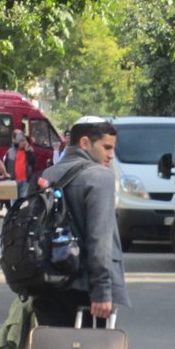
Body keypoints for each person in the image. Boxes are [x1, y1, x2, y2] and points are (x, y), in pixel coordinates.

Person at [32, 116, 129, 326]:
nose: (111, 155)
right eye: (106, 147)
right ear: (84, 143)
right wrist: (102, 290)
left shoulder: (47, 174)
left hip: (48, 285)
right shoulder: (99, 177)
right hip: (86, 289)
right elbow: (100, 238)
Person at [5, 128, 37, 199]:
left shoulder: (29, 151)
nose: (24, 142)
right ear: (18, 142)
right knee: (13, 201)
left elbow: (33, 162)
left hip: (25, 181)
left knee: (23, 201)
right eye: (22, 141)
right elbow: (6, 164)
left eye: (24, 140)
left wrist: (28, 152)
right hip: (14, 180)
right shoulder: (11, 151)